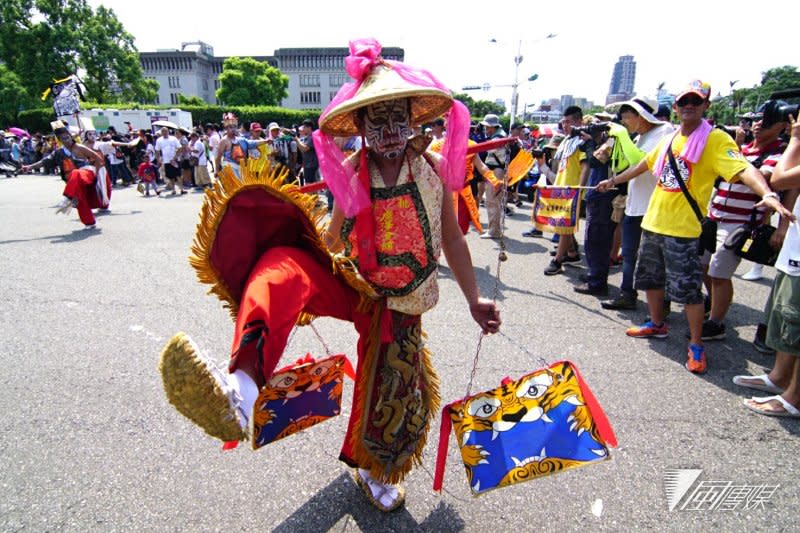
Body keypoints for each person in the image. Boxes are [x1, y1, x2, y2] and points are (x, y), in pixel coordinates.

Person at [158, 38, 500, 513]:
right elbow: (335, 237)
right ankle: (240, 393)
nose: (389, 130)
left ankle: (372, 467)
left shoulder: (436, 169)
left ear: (412, 117)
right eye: (375, 119)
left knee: (393, 385)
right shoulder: (352, 172)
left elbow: (454, 240)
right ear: (359, 125)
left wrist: (474, 300)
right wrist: (312, 276)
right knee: (283, 266)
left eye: (397, 115)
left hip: (402, 300)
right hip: (358, 286)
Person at [597, 80, 791, 374]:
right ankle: (657, 324)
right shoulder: (670, 138)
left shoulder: (715, 140)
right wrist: (613, 181)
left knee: (688, 291)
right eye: (683, 102)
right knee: (649, 279)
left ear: (705, 107)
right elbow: (646, 165)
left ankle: (697, 343)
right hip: (653, 223)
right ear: (675, 108)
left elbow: (743, 168)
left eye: (695, 102)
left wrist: (766, 193)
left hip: (684, 230)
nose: (689, 106)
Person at [699, 113, 790, 341]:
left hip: (740, 222)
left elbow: (747, 176)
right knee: (702, 265)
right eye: (756, 120)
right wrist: (737, 147)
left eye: (765, 121)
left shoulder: (779, 154)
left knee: (720, 272)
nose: (758, 125)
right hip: (715, 215)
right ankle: (715, 302)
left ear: (781, 126)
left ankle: (716, 324)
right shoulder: (745, 148)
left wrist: (734, 149)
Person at [734, 112, 800, 417]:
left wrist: (796, 139)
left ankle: (794, 397)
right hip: (795, 245)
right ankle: (779, 377)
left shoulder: (792, 144)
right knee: (784, 314)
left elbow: (780, 178)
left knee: (795, 317)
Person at [600, 99, 674, 310]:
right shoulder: (639, 137)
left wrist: (622, 136)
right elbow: (625, 164)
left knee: (655, 260)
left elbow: (643, 162)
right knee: (630, 253)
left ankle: (662, 306)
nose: (623, 122)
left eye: (626, 117)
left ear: (640, 115)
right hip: (635, 204)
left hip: (654, 207)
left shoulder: (664, 131)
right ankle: (626, 293)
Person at [22, 122, 109, 228]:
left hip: (86, 173)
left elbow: (98, 158)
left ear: (71, 137)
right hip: (73, 181)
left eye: (67, 137)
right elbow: (44, 161)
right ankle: (90, 222)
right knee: (80, 199)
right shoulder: (58, 152)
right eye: (63, 138)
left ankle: (67, 197)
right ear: (60, 140)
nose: (66, 140)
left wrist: (97, 172)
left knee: (76, 172)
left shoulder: (80, 147)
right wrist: (29, 167)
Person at [539, 107, 589, 274]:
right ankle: (572, 253)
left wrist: (579, 191)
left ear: (579, 121)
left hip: (572, 190)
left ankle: (557, 261)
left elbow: (585, 167)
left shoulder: (583, 142)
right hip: (561, 187)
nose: (565, 125)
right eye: (564, 122)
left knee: (565, 227)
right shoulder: (567, 141)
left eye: (569, 122)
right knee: (562, 225)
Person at [479, 114, 506, 239]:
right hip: (497, 170)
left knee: (492, 201)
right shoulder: (500, 135)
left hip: (496, 171)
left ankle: (493, 231)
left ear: (492, 127)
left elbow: (484, 150)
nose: (486, 130)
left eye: (487, 127)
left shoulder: (497, 139)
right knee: (493, 201)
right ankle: (494, 229)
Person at [155, 127, 185, 195]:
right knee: (170, 176)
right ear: (161, 133)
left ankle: (182, 189)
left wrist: (175, 157)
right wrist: (158, 159)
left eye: (166, 131)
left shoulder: (173, 139)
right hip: (166, 161)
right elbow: (157, 150)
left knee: (178, 175)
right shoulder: (159, 140)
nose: (165, 133)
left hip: (175, 160)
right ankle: (173, 190)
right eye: (163, 132)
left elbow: (180, 148)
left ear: (168, 132)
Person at [295, 119, 320, 186]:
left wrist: (296, 140)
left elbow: (304, 149)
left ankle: (313, 196)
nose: (303, 129)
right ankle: (313, 196)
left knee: (311, 185)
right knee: (311, 185)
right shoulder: (308, 137)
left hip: (311, 165)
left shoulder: (312, 137)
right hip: (307, 165)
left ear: (309, 127)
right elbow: (302, 149)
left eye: (304, 127)